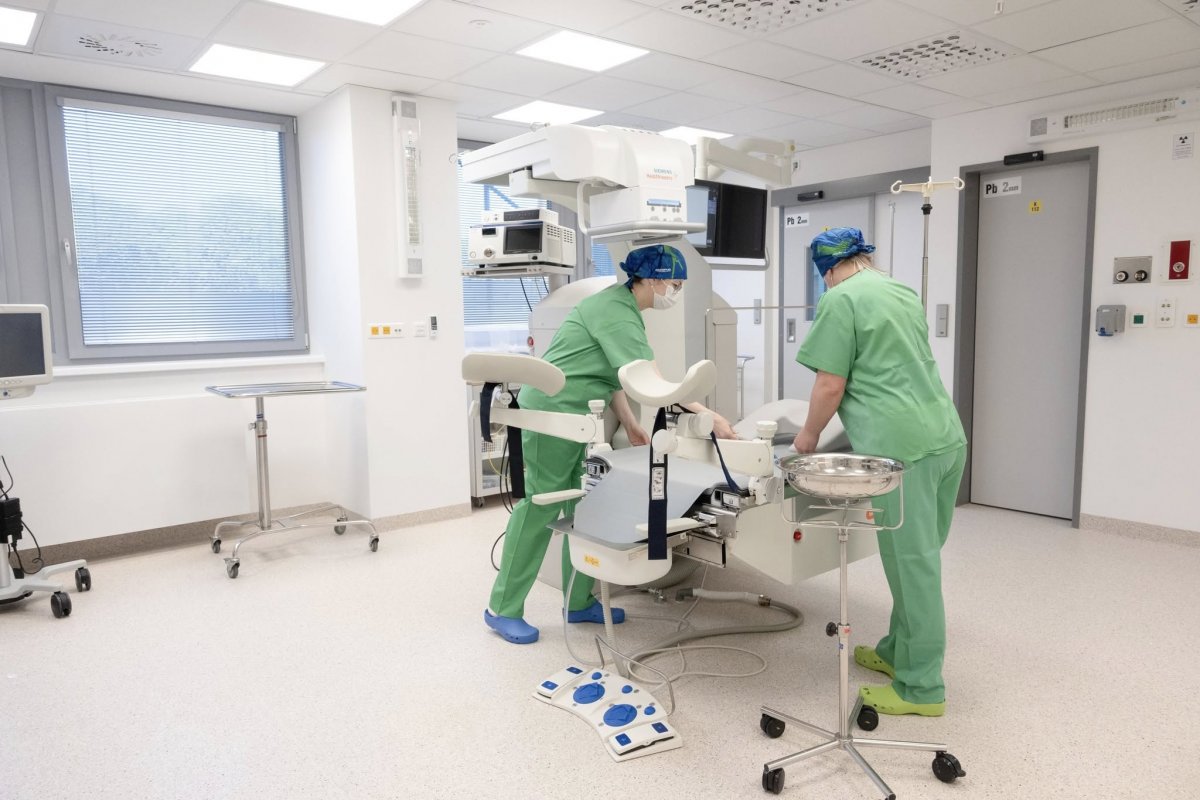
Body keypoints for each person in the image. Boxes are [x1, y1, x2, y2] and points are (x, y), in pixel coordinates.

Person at [485, 244, 736, 644]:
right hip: (552, 413)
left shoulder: (622, 307)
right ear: (650, 280)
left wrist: (632, 424)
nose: (676, 292)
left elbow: (615, 374)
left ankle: (577, 601)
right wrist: (712, 416)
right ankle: (503, 609)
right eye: (674, 284)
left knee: (582, 507)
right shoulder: (615, 311)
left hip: (576, 419)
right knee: (539, 507)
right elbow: (650, 381)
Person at [792, 227, 966, 717]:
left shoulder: (841, 298)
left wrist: (807, 437)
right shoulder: (899, 289)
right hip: (945, 437)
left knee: (914, 569)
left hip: (902, 449)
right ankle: (897, 652)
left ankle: (921, 688)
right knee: (919, 559)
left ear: (828, 270)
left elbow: (830, 384)